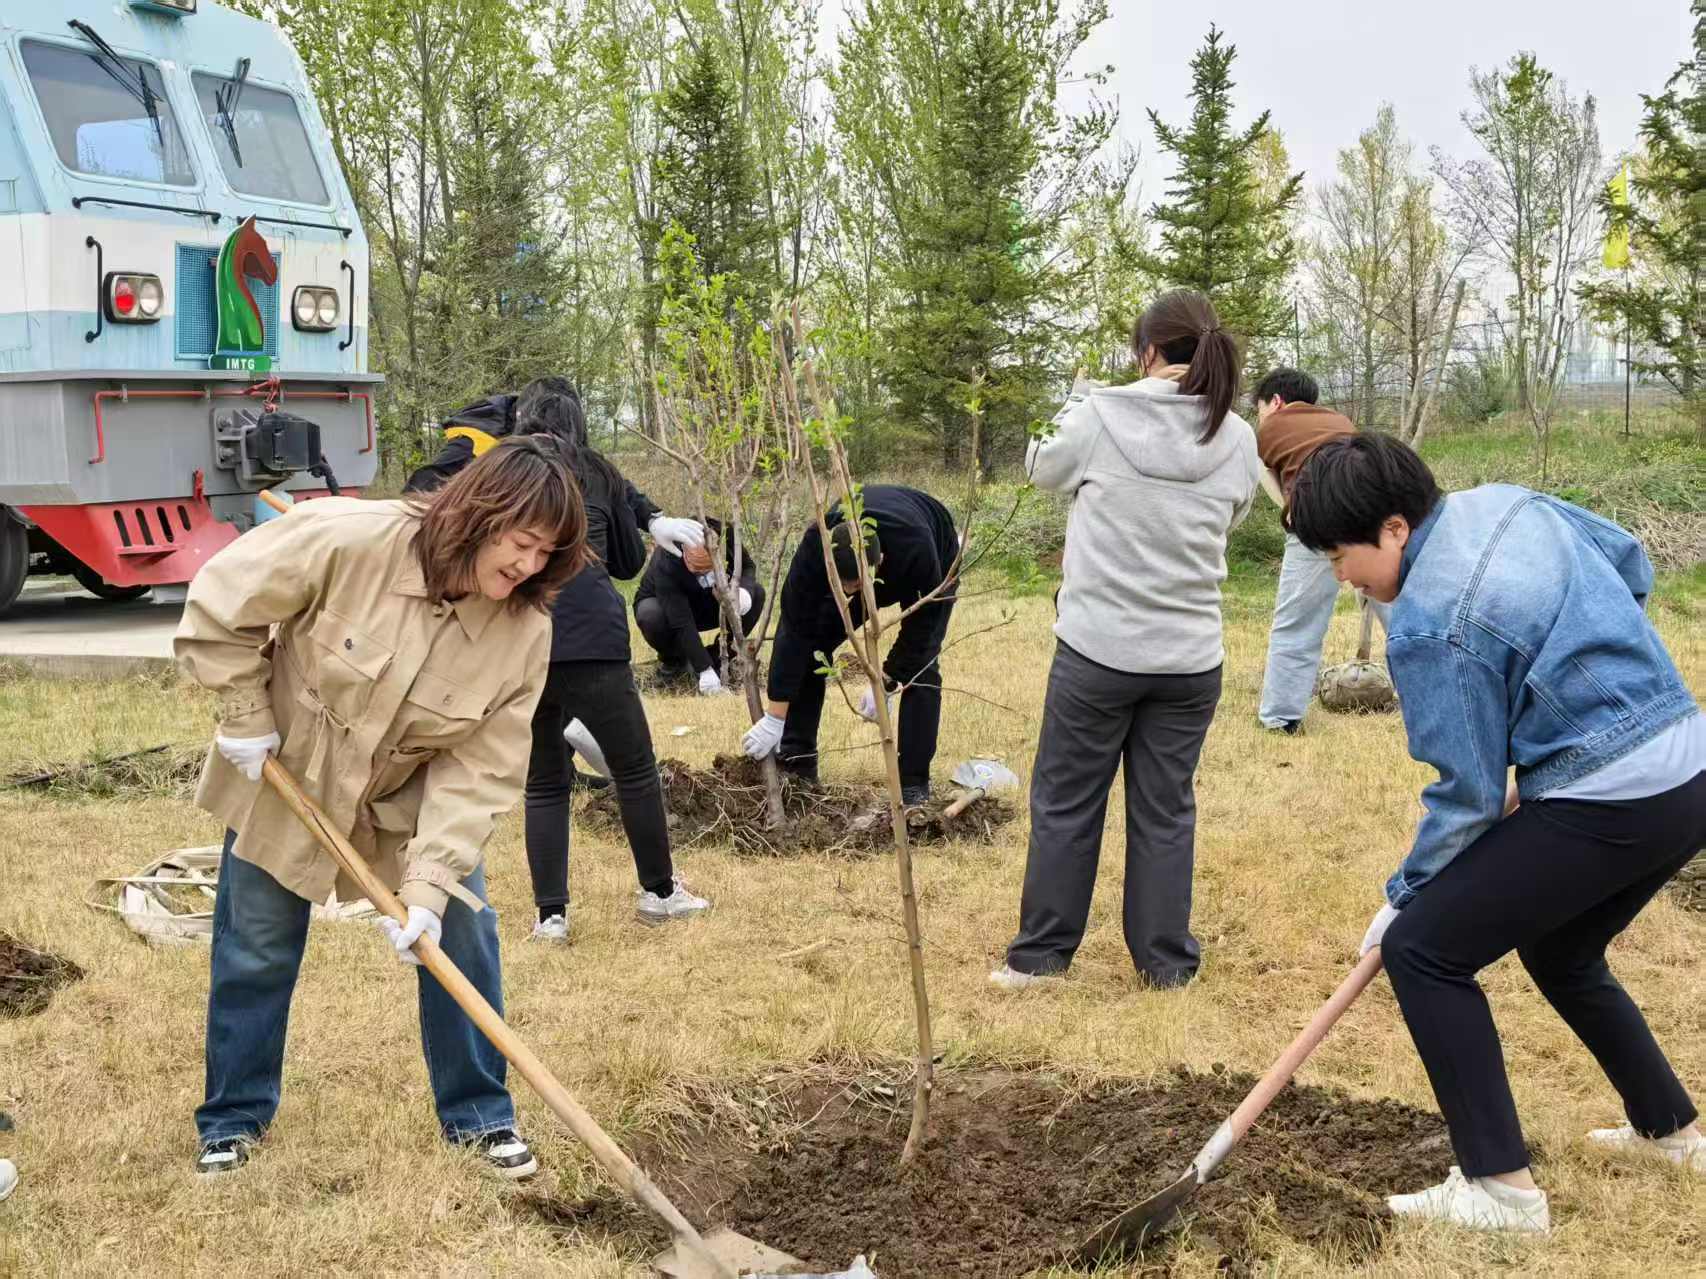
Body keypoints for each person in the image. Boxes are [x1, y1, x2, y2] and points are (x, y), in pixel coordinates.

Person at [1288, 432, 1705, 1233]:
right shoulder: (1507, 501)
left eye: (1343, 554)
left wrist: (1404, 900)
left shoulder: (1428, 622)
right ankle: (1672, 1132)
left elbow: (1469, 798)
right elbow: (1629, 563)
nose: (1343, 576)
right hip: (1685, 766)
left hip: (1612, 797)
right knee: (1561, 949)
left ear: (1396, 527)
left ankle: (1500, 1189)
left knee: (1426, 951)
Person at [176, 437, 589, 1180]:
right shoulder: (348, 539)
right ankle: (232, 1119)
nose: (528, 566)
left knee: (462, 931)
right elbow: (219, 599)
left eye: (545, 554)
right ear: (481, 513)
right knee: (257, 944)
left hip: (408, 803)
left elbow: (482, 766)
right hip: (288, 775)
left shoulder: (523, 632)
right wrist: (244, 714)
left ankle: (480, 1117)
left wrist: (428, 885)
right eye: (522, 543)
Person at [992, 289, 1261, 992]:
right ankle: (1166, 965)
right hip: (1191, 656)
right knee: (1167, 809)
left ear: (1146, 351)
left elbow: (1037, 466)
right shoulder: (1237, 436)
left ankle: (1042, 958)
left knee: (1067, 803)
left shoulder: (1099, 414)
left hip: (1098, 650)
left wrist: (1074, 395)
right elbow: (1230, 513)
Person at [406, 384, 710, 944]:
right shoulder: (595, 469)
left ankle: (552, 917)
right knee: (634, 769)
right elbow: (623, 561)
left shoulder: (502, 468)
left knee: (545, 781)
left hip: (520, 635)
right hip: (592, 632)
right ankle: (660, 893)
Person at [740, 485, 957, 804]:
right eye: (840, 584)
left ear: (878, 562)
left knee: (922, 668)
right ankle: (798, 759)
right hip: (858, 562)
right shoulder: (816, 546)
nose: (847, 592)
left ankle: (913, 783)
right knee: (814, 644)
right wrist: (775, 717)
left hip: (934, 547)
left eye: (854, 585)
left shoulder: (917, 549)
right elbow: (795, 628)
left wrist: (888, 680)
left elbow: (923, 626)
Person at [1250, 367, 1390, 734]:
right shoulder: (1341, 421)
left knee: (1298, 620)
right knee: (1399, 615)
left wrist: (1291, 511)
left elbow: (1263, 476)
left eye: (1260, 409)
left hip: (1317, 517)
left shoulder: (1269, 430)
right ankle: (1435, 697)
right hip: (1371, 517)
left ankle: (1281, 717)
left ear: (1276, 402)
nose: (1260, 418)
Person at [634, 518, 765, 695]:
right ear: (684, 551)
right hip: (666, 608)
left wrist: (744, 594)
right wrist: (704, 669)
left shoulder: (727, 536)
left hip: (710, 600)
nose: (702, 574)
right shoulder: (666, 558)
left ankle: (717, 657)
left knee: (757, 593)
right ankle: (676, 660)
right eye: (697, 568)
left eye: (706, 569)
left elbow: (747, 566)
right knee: (649, 615)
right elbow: (680, 619)